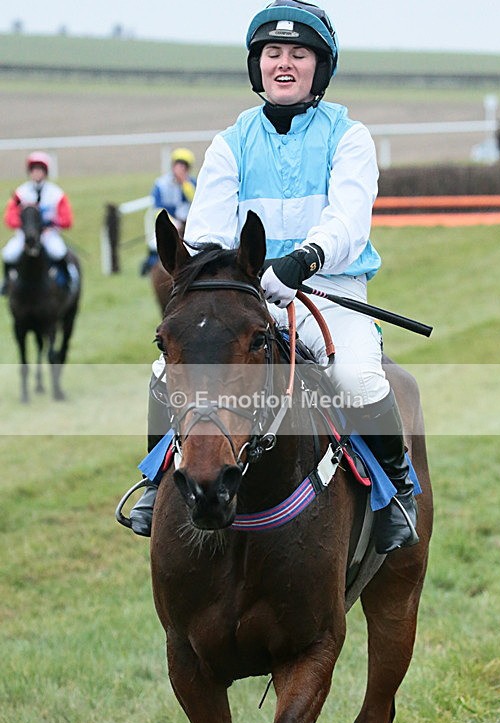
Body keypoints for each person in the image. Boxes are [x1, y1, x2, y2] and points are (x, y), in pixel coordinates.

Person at [126, 0, 419, 555]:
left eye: (299, 54)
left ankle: (397, 491)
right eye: (273, 53)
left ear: (320, 67)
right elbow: (209, 225)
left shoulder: (350, 137)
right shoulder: (230, 142)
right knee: (166, 370)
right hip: (248, 292)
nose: (284, 64)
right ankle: (155, 483)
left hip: (330, 292)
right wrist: (236, 272)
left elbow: (349, 223)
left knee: (358, 379)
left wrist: (303, 261)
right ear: (257, 65)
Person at [1, 151, 76, 295]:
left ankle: (67, 281)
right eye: (34, 170)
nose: (36, 173)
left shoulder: (56, 193)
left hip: (48, 233)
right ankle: (6, 283)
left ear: (45, 172)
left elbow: (67, 219)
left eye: (40, 170)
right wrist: (24, 225)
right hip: (26, 234)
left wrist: (53, 223)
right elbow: (10, 217)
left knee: (58, 251)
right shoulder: (20, 193)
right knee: (9, 253)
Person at [139, 147, 197, 275]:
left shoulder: (192, 183)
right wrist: (172, 223)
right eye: (178, 165)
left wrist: (184, 183)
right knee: (155, 244)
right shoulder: (160, 184)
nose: (181, 169)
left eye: (184, 166)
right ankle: (150, 267)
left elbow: (196, 201)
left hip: (188, 224)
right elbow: (157, 208)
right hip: (171, 223)